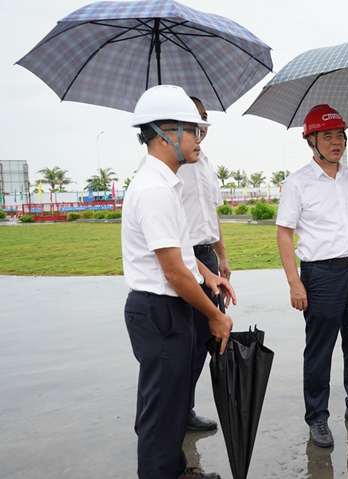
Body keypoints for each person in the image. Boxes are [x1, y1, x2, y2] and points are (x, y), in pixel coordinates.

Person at [123, 84, 235, 479]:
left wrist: (209, 274)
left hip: (168, 307)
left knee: (170, 407)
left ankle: (174, 469)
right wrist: (215, 316)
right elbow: (172, 272)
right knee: (160, 414)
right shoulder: (154, 189)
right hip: (160, 309)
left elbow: (182, 252)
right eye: (192, 130)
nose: (199, 138)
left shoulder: (167, 183)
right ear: (164, 134)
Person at [276, 104, 348, 448]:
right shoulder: (297, 183)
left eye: (340, 135)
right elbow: (284, 234)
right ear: (310, 140)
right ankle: (317, 418)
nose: (336, 142)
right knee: (320, 349)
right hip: (321, 274)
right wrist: (294, 282)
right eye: (327, 136)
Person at [176, 96, 230, 432]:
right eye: (193, 118)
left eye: (204, 117)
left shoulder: (206, 162)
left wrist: (222, 257)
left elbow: (213, 215)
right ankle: (177, 411)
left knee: (204, 340)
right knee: (184, 341)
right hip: (182, 258)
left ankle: (186, 409)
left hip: (207, 256)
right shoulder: (171, 165)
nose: (201, 124)